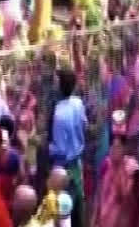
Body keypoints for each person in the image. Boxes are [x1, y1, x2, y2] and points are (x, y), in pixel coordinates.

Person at [48, 69, 86, 226]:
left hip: (64, 165)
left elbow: (59, 147)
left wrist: (47, 147)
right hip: (77, 161)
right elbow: (84, 124)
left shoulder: (59, 113)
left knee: (64, 211)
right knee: (78, 205)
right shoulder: (78, 103)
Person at [92, 114, 139, 227]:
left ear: (125, 148)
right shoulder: (106, 164)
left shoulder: (131, 168)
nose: (114, 151)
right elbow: (99, 194)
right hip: (105, 219)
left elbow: (129, 199)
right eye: (112, 147)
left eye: (118, 147)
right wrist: (94, 220)